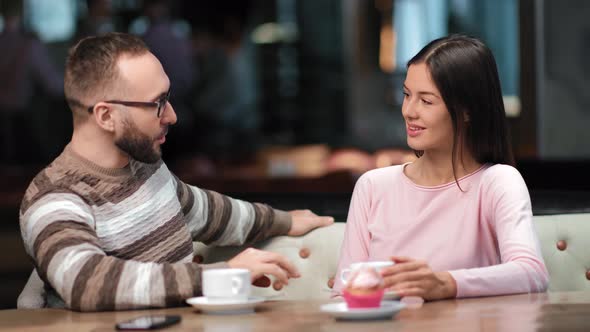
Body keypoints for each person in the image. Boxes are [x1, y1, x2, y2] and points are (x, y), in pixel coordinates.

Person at [18, 32, 333, 312]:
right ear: (105, 116)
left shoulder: (147, 169)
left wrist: (285, 220)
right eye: (157, 103)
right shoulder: (54, 196)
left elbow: (210, 211)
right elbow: (86, 284)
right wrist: (222, 275)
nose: (172, 115)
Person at [334, 35, 548, 300]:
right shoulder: (373, 186)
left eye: (426, 101)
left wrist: (445, 284)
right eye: (406, 95)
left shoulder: (497, 181)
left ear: (467, 110)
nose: (409, 111)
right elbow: (344, 293)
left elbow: (532, 272)